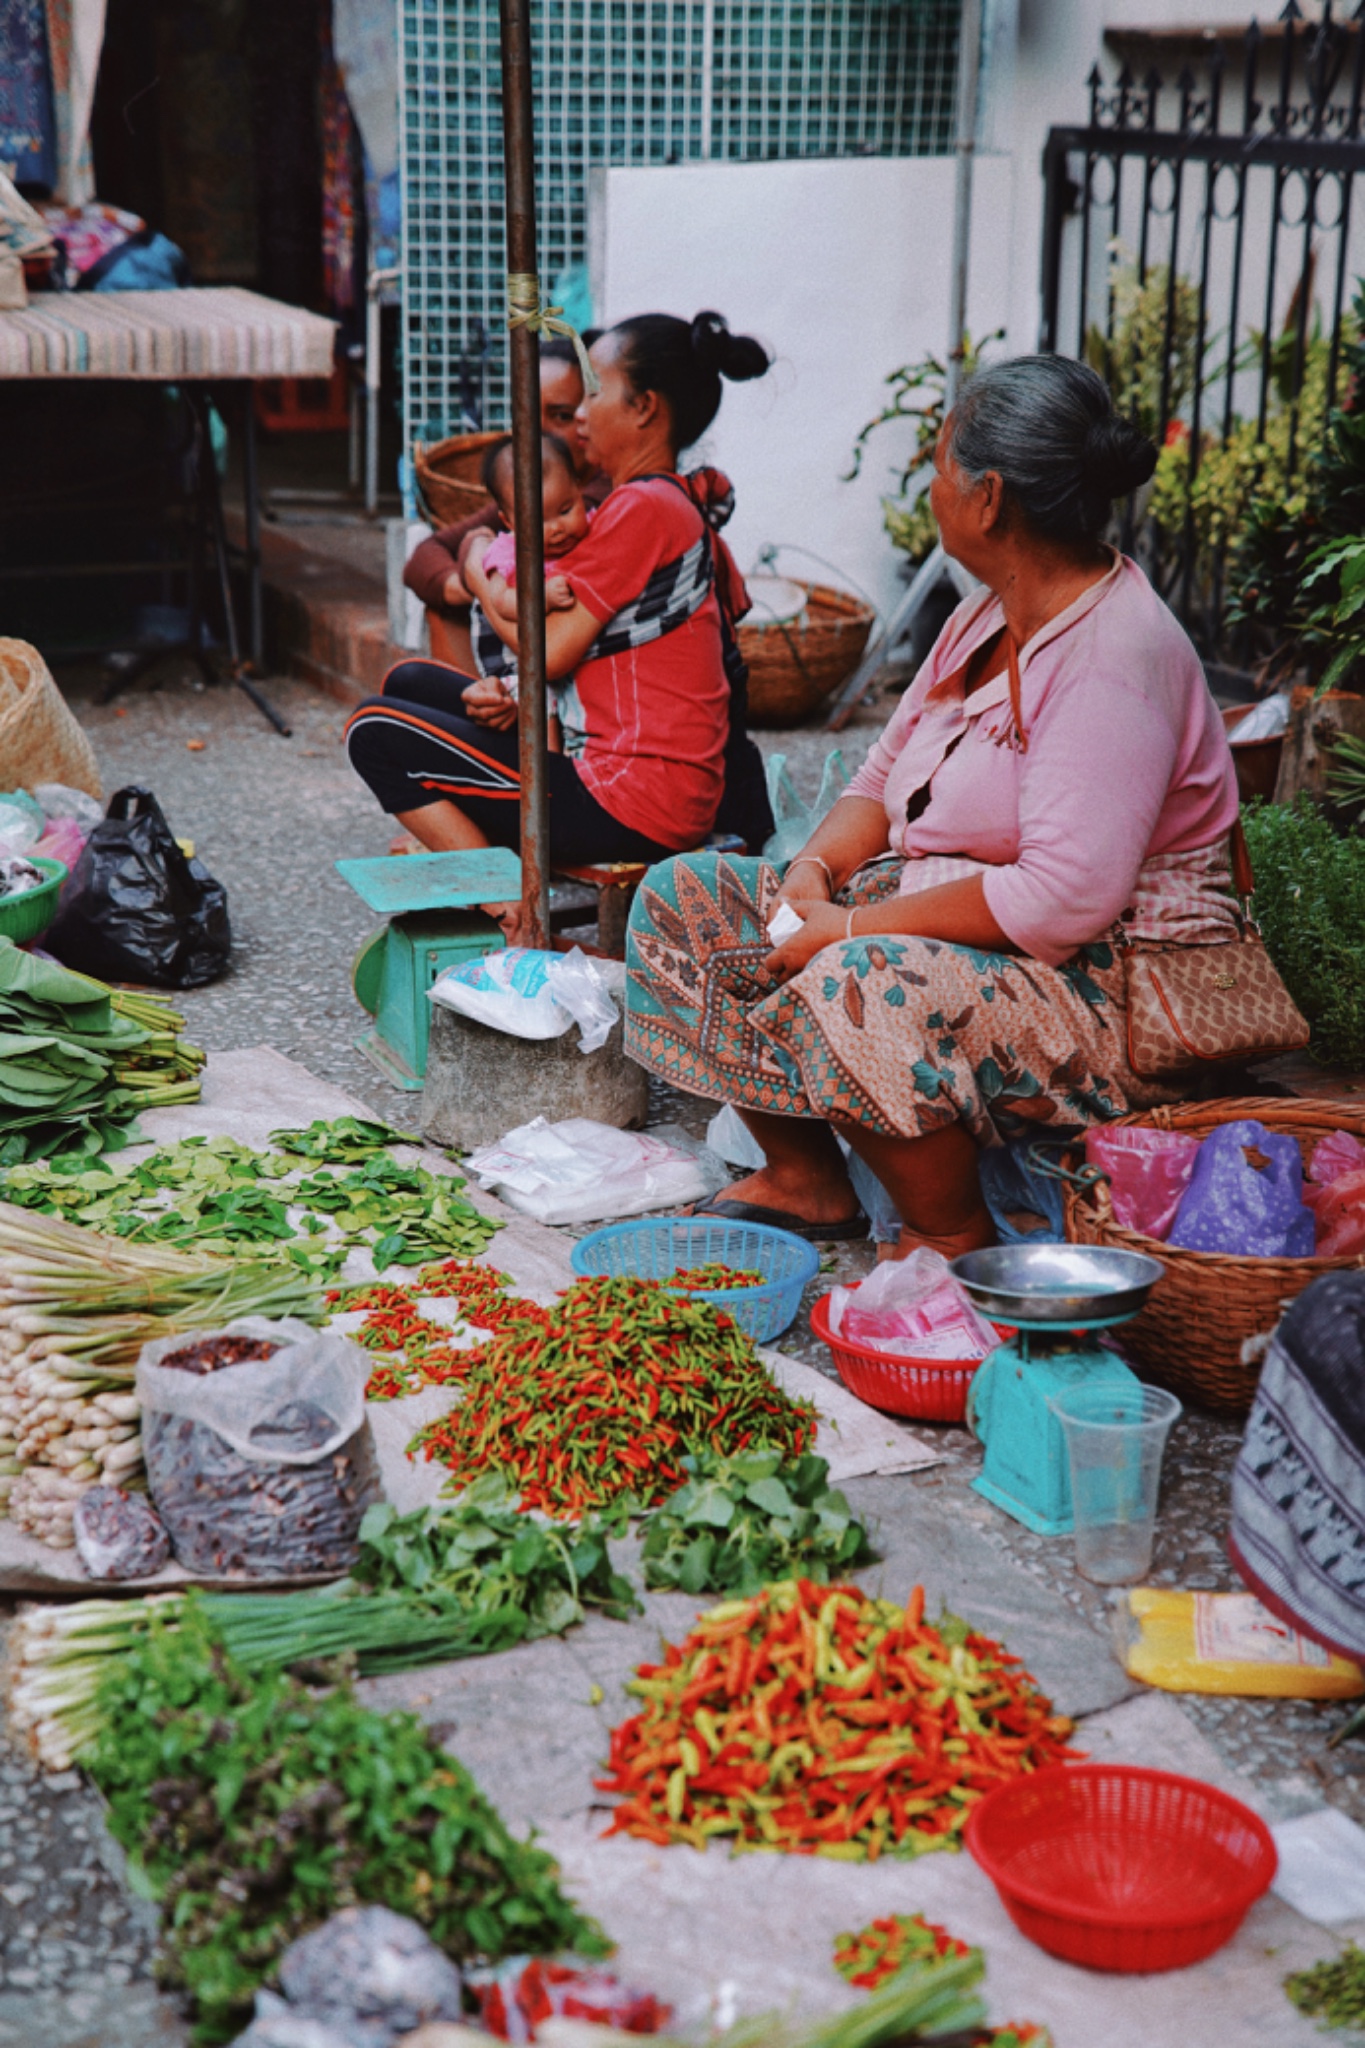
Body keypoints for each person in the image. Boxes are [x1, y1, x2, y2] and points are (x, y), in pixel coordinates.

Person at [624, 354, 1242, 1253]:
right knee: (685, 901)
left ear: (989, 497)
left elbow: (1061, 903)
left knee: (855, 984)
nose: (932, 489)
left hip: (1110, 988)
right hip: (942, 924)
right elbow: (879, 779)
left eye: (941, 468)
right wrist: (810, 876)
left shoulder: (1114, 655)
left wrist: (840, 932)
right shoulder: (984, 616)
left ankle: (948, 1236)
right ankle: (805, 1179)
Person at [346, 309, 775, 940]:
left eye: (592, 394)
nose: (578, 415)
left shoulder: (643, 507)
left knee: (372, 730)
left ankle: (510, 911)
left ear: (644, 408)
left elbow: (547, 655)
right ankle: (498, 876)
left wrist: (480, 576)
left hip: (635, 795)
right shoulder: (647, 499)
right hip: (614, 762)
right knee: (409, 681)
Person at [403, 338, 610, 638]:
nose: (537, 431)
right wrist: (486, 581)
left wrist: (478, 568)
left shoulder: (603, 494)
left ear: (587, 416)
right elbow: (423, 558)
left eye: (561, 416)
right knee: (444, 609)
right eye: (526, 413)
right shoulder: (531, 497)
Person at [465, 430, 593, 756]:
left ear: (580, 491)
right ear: (510, 521)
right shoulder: (508, 552)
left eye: (566, 510)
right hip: (511, 661)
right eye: (539, 521)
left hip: (563, 649)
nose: (556, 529)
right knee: (540, 695)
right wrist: (543, 596)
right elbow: (500, 601)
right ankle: (549, 766)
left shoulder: (595, 528)